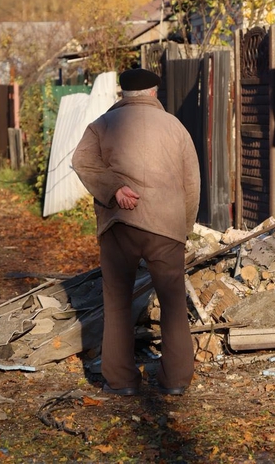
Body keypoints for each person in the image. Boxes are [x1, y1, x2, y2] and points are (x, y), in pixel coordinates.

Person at [71, 67, 201, 396]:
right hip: (166, 230)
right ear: (154, 92)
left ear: (122, 93)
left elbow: (81, 161)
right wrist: (182, 229)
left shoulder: (101, 125)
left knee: (116, 304)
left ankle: (121, 381)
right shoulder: (176, 127)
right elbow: (192, 184)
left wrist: (113, 188)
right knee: (173, 305)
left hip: (120, 226)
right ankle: (175, 381)